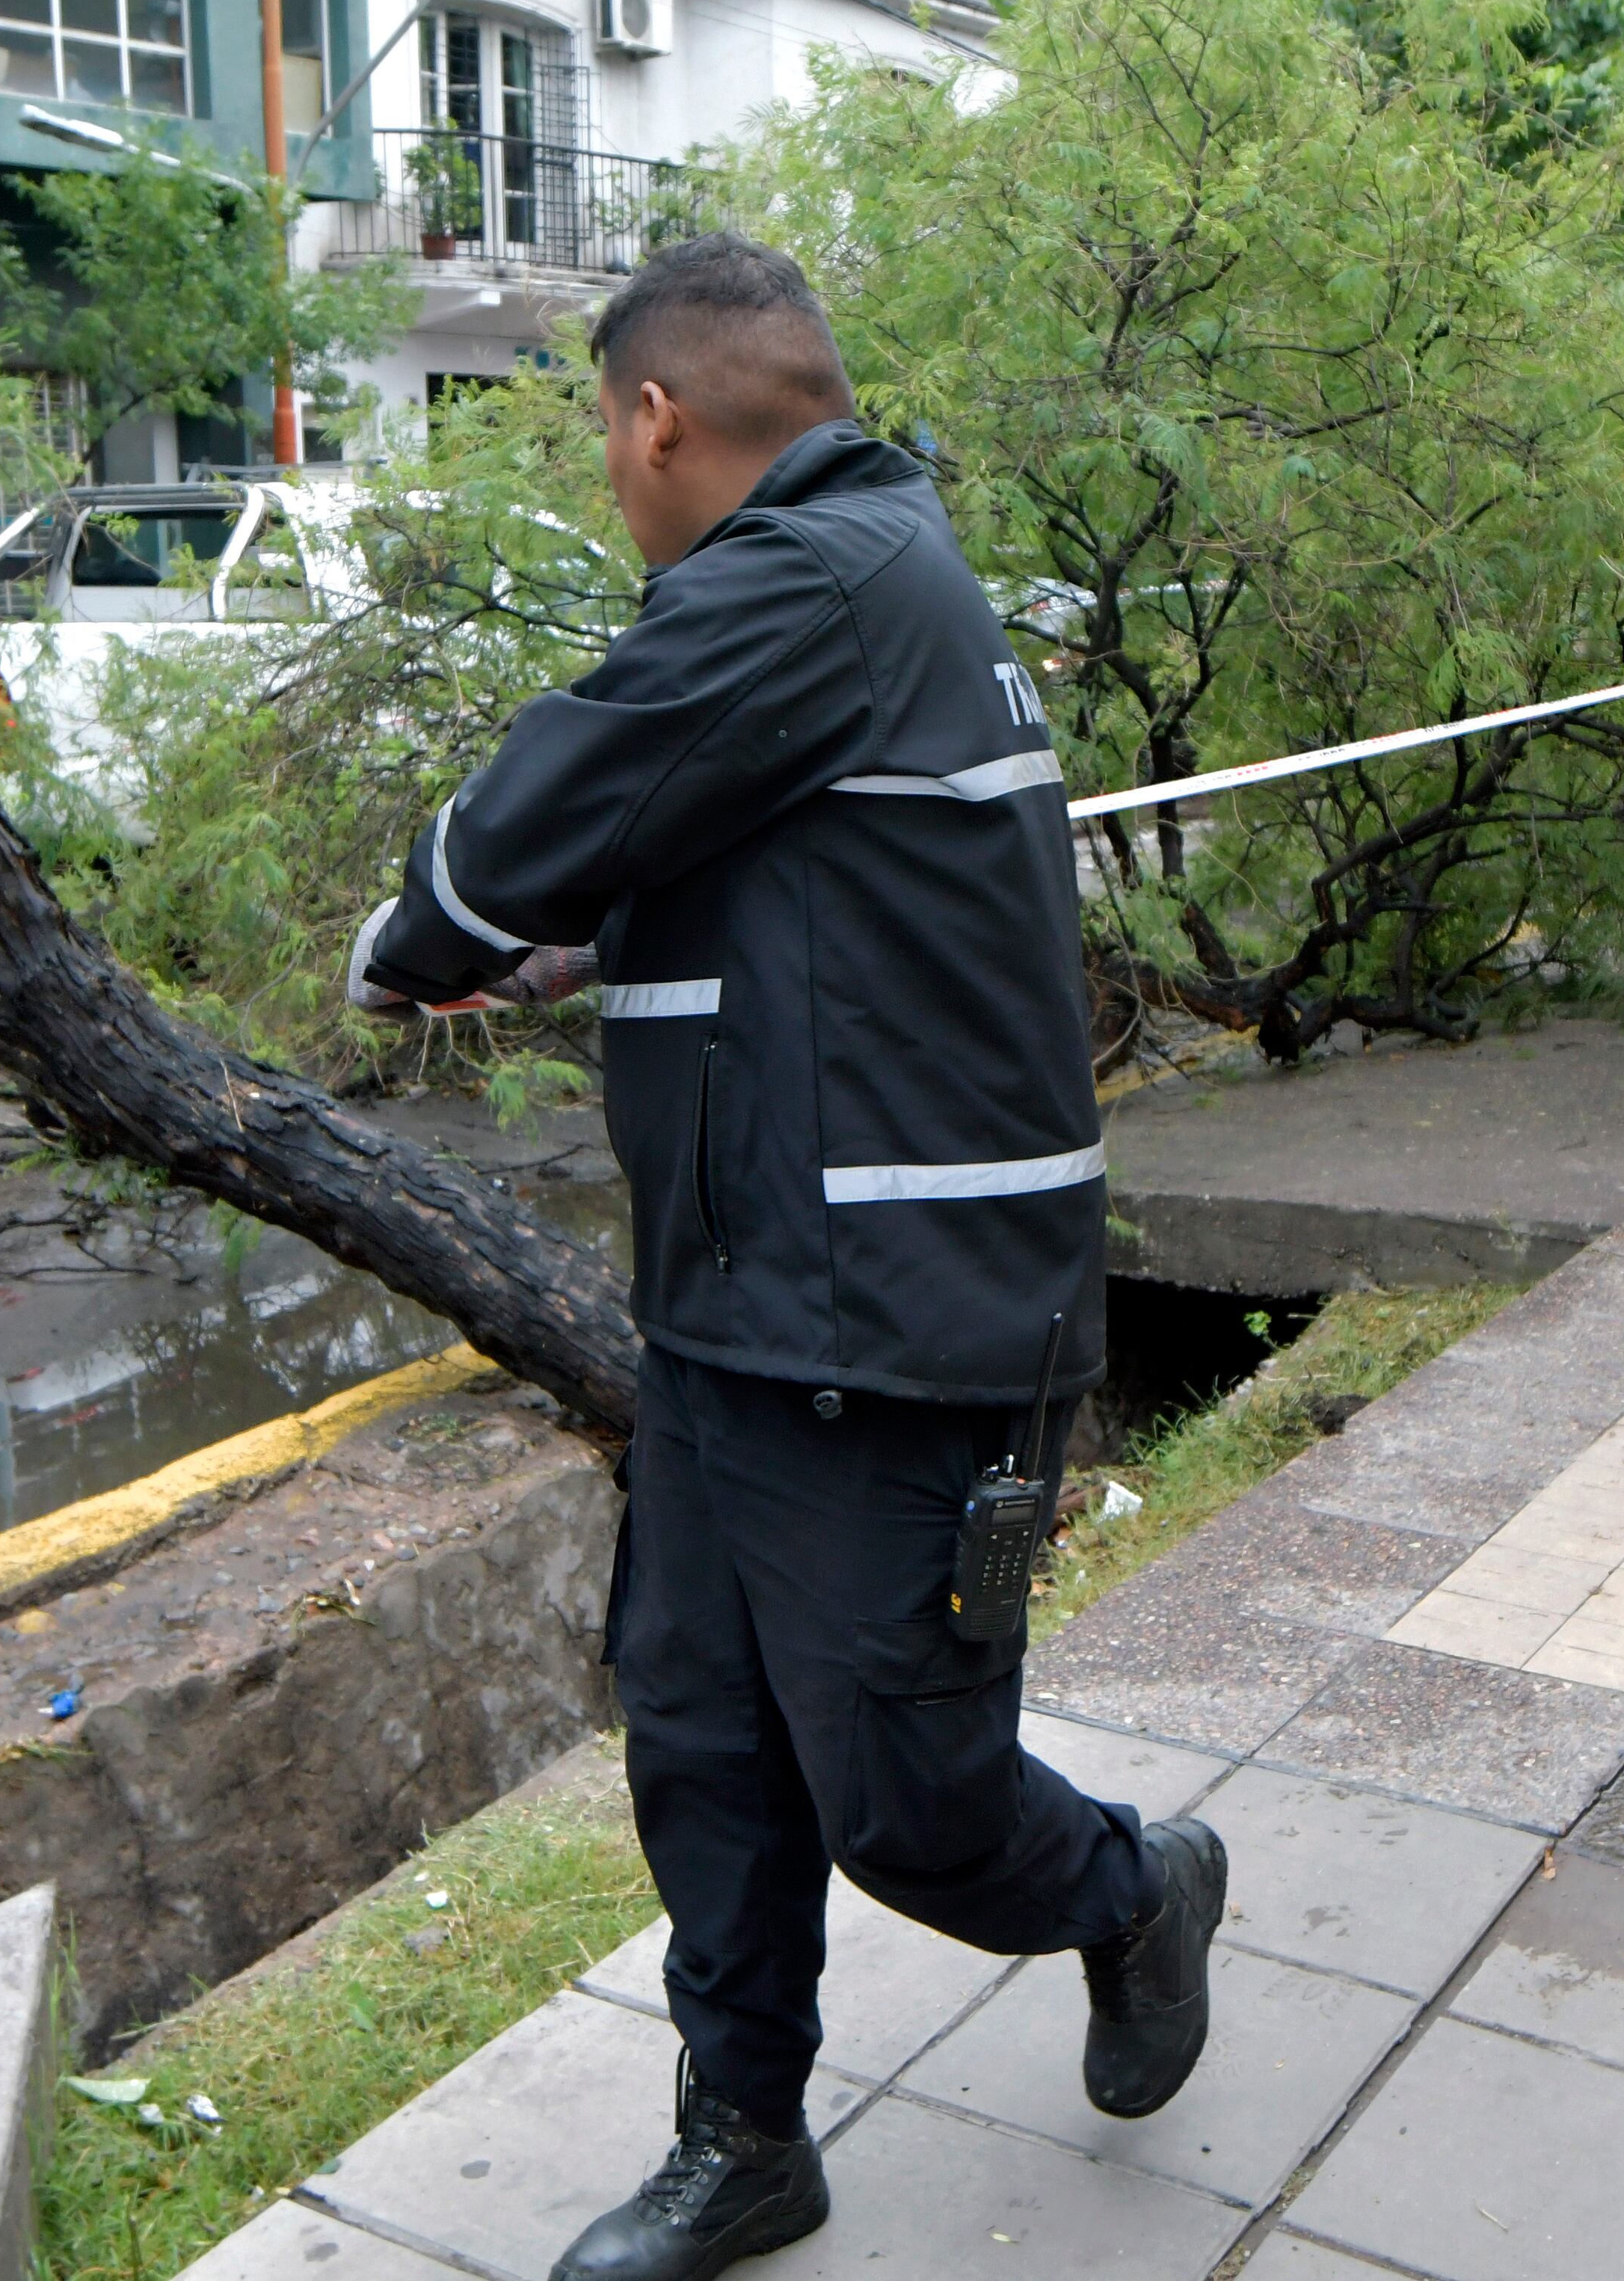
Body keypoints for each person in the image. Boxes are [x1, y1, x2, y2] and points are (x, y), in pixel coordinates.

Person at [347, 235, 1227, 2281]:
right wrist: (593, 941)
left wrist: (433, 939)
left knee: (912, 1795)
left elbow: (526, 815)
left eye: (604, 437)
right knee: (707, 1742)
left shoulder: (802, 581)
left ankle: (1133, 1885)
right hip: (744, 1308)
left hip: (908, 1340)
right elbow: (761, 876)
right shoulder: (857, 585)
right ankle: (744, 2135)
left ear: (658, 416)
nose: (612, 477)